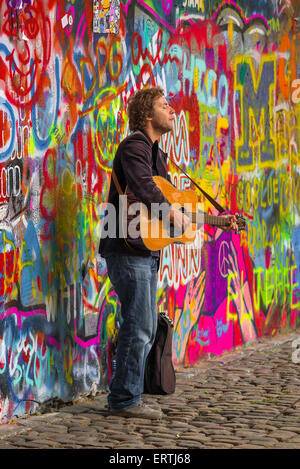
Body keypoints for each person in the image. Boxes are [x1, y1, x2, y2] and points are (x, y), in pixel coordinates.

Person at [99, 87, 238, 419]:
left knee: (139, 323)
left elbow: (165, 200)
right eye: (165, 105)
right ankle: (124, 400)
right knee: (141, 324)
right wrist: (170, 212)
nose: (173, 110)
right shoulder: (135, 145)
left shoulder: (157, 152)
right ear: (148, 115)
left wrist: (217, 220)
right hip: (126, 247)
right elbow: (144, 188)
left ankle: (126, 393)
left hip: (142, 248)